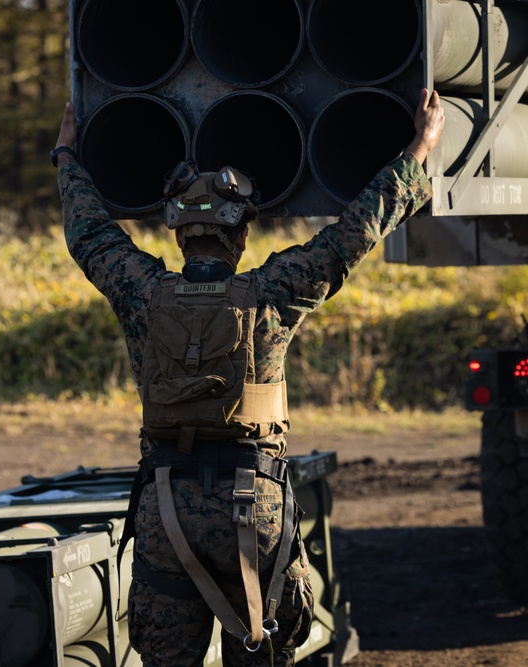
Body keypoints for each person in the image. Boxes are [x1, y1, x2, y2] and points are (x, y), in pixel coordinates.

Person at [51, 88, 445, 666]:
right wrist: (421, 146)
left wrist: (66, 156)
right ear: (241, 236)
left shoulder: (139, 291)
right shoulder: (272, 295)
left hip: (165, 509)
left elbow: (87, 232)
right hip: (251, 506)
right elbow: (353, 233)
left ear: (178, 234)